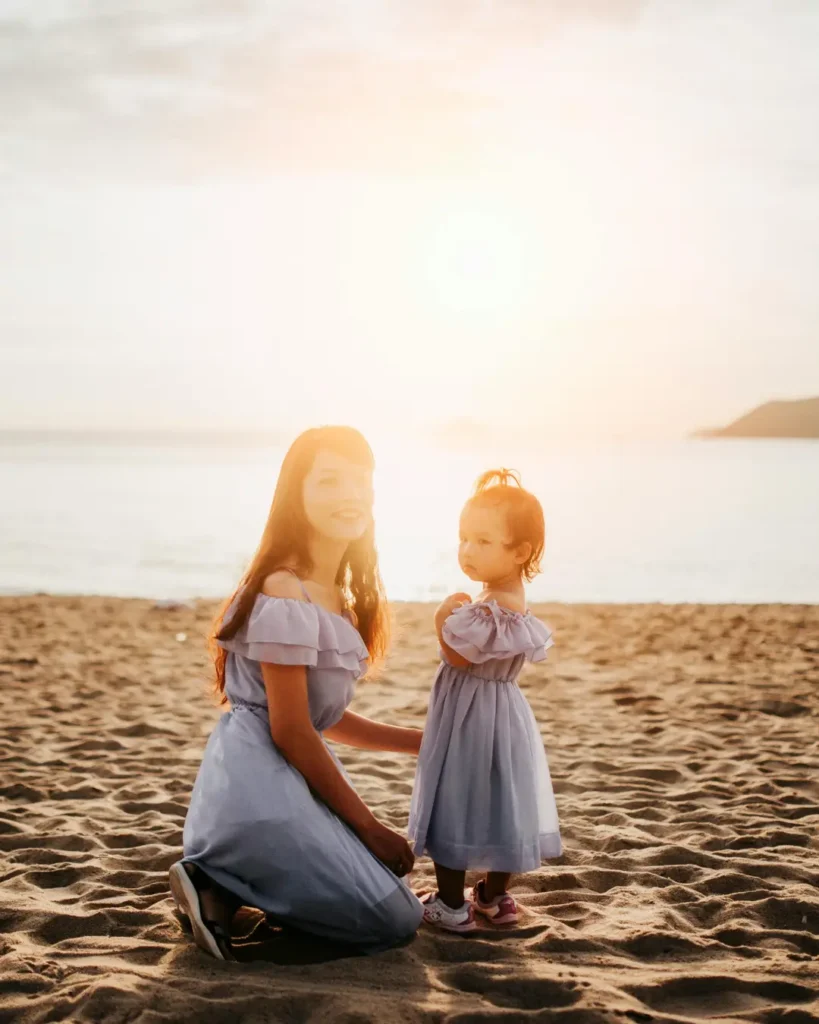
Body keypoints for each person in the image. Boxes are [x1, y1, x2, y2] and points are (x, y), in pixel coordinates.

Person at [169, 426, 424, 959]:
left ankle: (227, 893)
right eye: (329, 482)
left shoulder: (340, 599)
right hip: (257, 785)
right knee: (395, 919)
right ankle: (217, 879)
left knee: (394, 901)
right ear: (296, 494)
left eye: (360, 483)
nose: (349, 496)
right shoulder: (285, 589)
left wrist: (421, 743)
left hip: (282, 775)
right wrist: (370, 826)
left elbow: (323, 719)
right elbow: (289, 730)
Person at [408, 468, 561, 933]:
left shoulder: (495, 607)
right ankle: (494, 896)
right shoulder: (505, 598)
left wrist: (441, 618)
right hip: (502, 712)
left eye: (482, 541)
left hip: (471, 713)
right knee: (502, 798)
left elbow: (460, 654)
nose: (467, 551)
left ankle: (452, 904)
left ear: (520, 552)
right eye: (463, 538)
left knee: (456, 795)